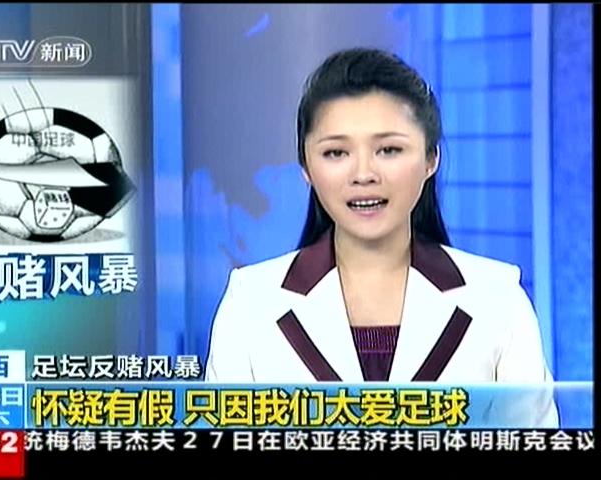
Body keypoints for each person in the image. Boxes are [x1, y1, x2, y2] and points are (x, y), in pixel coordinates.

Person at [204, 48, 558, 427]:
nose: (364, 174)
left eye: (389, 150)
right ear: (306, 167)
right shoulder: (250, 303)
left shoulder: (497, 300)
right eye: (336, 153)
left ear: (431, 159)